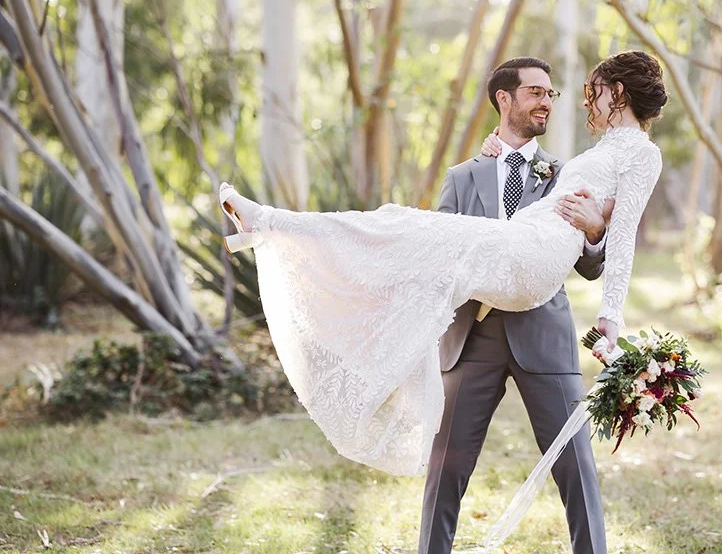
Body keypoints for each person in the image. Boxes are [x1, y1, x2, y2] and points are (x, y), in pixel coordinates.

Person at [217, 50, 665, 482]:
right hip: (520, 244)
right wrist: (499, 157)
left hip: (533, 257)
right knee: (402, 226)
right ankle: (282, 234)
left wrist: (609, 313)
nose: (588, 100)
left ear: (618, 91)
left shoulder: (642, 153)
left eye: (596, 90)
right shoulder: (602, 149)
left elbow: (622, 238)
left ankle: (271, 224)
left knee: (403, 225)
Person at [419, 56, 608, 554]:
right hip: (472, 341)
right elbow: (441, 253)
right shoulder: (462, 178)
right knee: (446, 470)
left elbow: (590, 266)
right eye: (535, 92)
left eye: (551, 94)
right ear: (504, 98)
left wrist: (594, 231)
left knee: (576, 468)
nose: (546, 101)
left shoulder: (566, 174)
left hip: (544, 338)